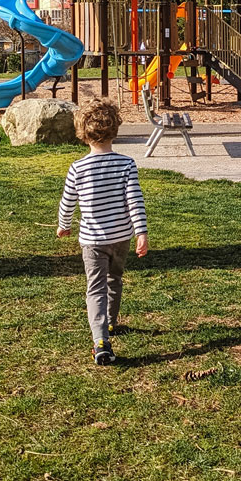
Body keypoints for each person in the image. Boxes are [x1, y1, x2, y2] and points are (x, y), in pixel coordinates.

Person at [57, 97, 149, 365]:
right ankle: (110, 323)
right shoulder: (126, 165)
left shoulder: (78, 167)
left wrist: (64, 224)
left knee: (95, 287)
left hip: (92, 241)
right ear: (115, 129)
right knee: (114, 280)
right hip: (121, 237)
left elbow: (67, 201)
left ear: (82, 133)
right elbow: (135, 199)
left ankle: (100, 340)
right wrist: (140, 232)